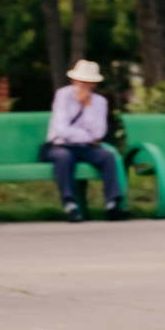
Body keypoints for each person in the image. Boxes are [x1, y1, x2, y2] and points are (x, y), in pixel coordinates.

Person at [43, 60, 128, 221]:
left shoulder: (99, 102)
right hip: (61, 145)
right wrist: (86, 136)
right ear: (74, 81)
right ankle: (70, 204)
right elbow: (61, 129)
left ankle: (112, 204)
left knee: (107, 156)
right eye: (81, 81)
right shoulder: (63, 96)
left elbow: (99, 133)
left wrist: (87, 106)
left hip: (86, 148)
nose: (84, 86)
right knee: (63, 157)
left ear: (94, 84)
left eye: (88, 83)